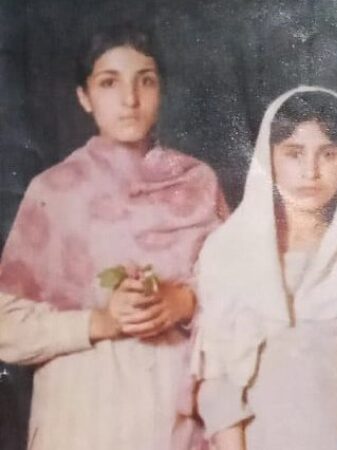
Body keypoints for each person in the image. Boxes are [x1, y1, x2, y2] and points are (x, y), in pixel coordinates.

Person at [0, 24, 228, 450]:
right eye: (109, 82)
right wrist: (100, 321)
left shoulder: (197, 182)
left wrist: (185, 300)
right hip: (82, 419)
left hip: (175, 419)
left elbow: (245, 297)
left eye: (146, 80)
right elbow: (5, 326)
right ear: (84, 97)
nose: (130, 99)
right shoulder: (54, 192)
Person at [192, 86, 337, 450]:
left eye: (328, 154)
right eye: (294, 154)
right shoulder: (230, 253)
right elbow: (220, 380)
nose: (310, 172)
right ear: (269, 160)